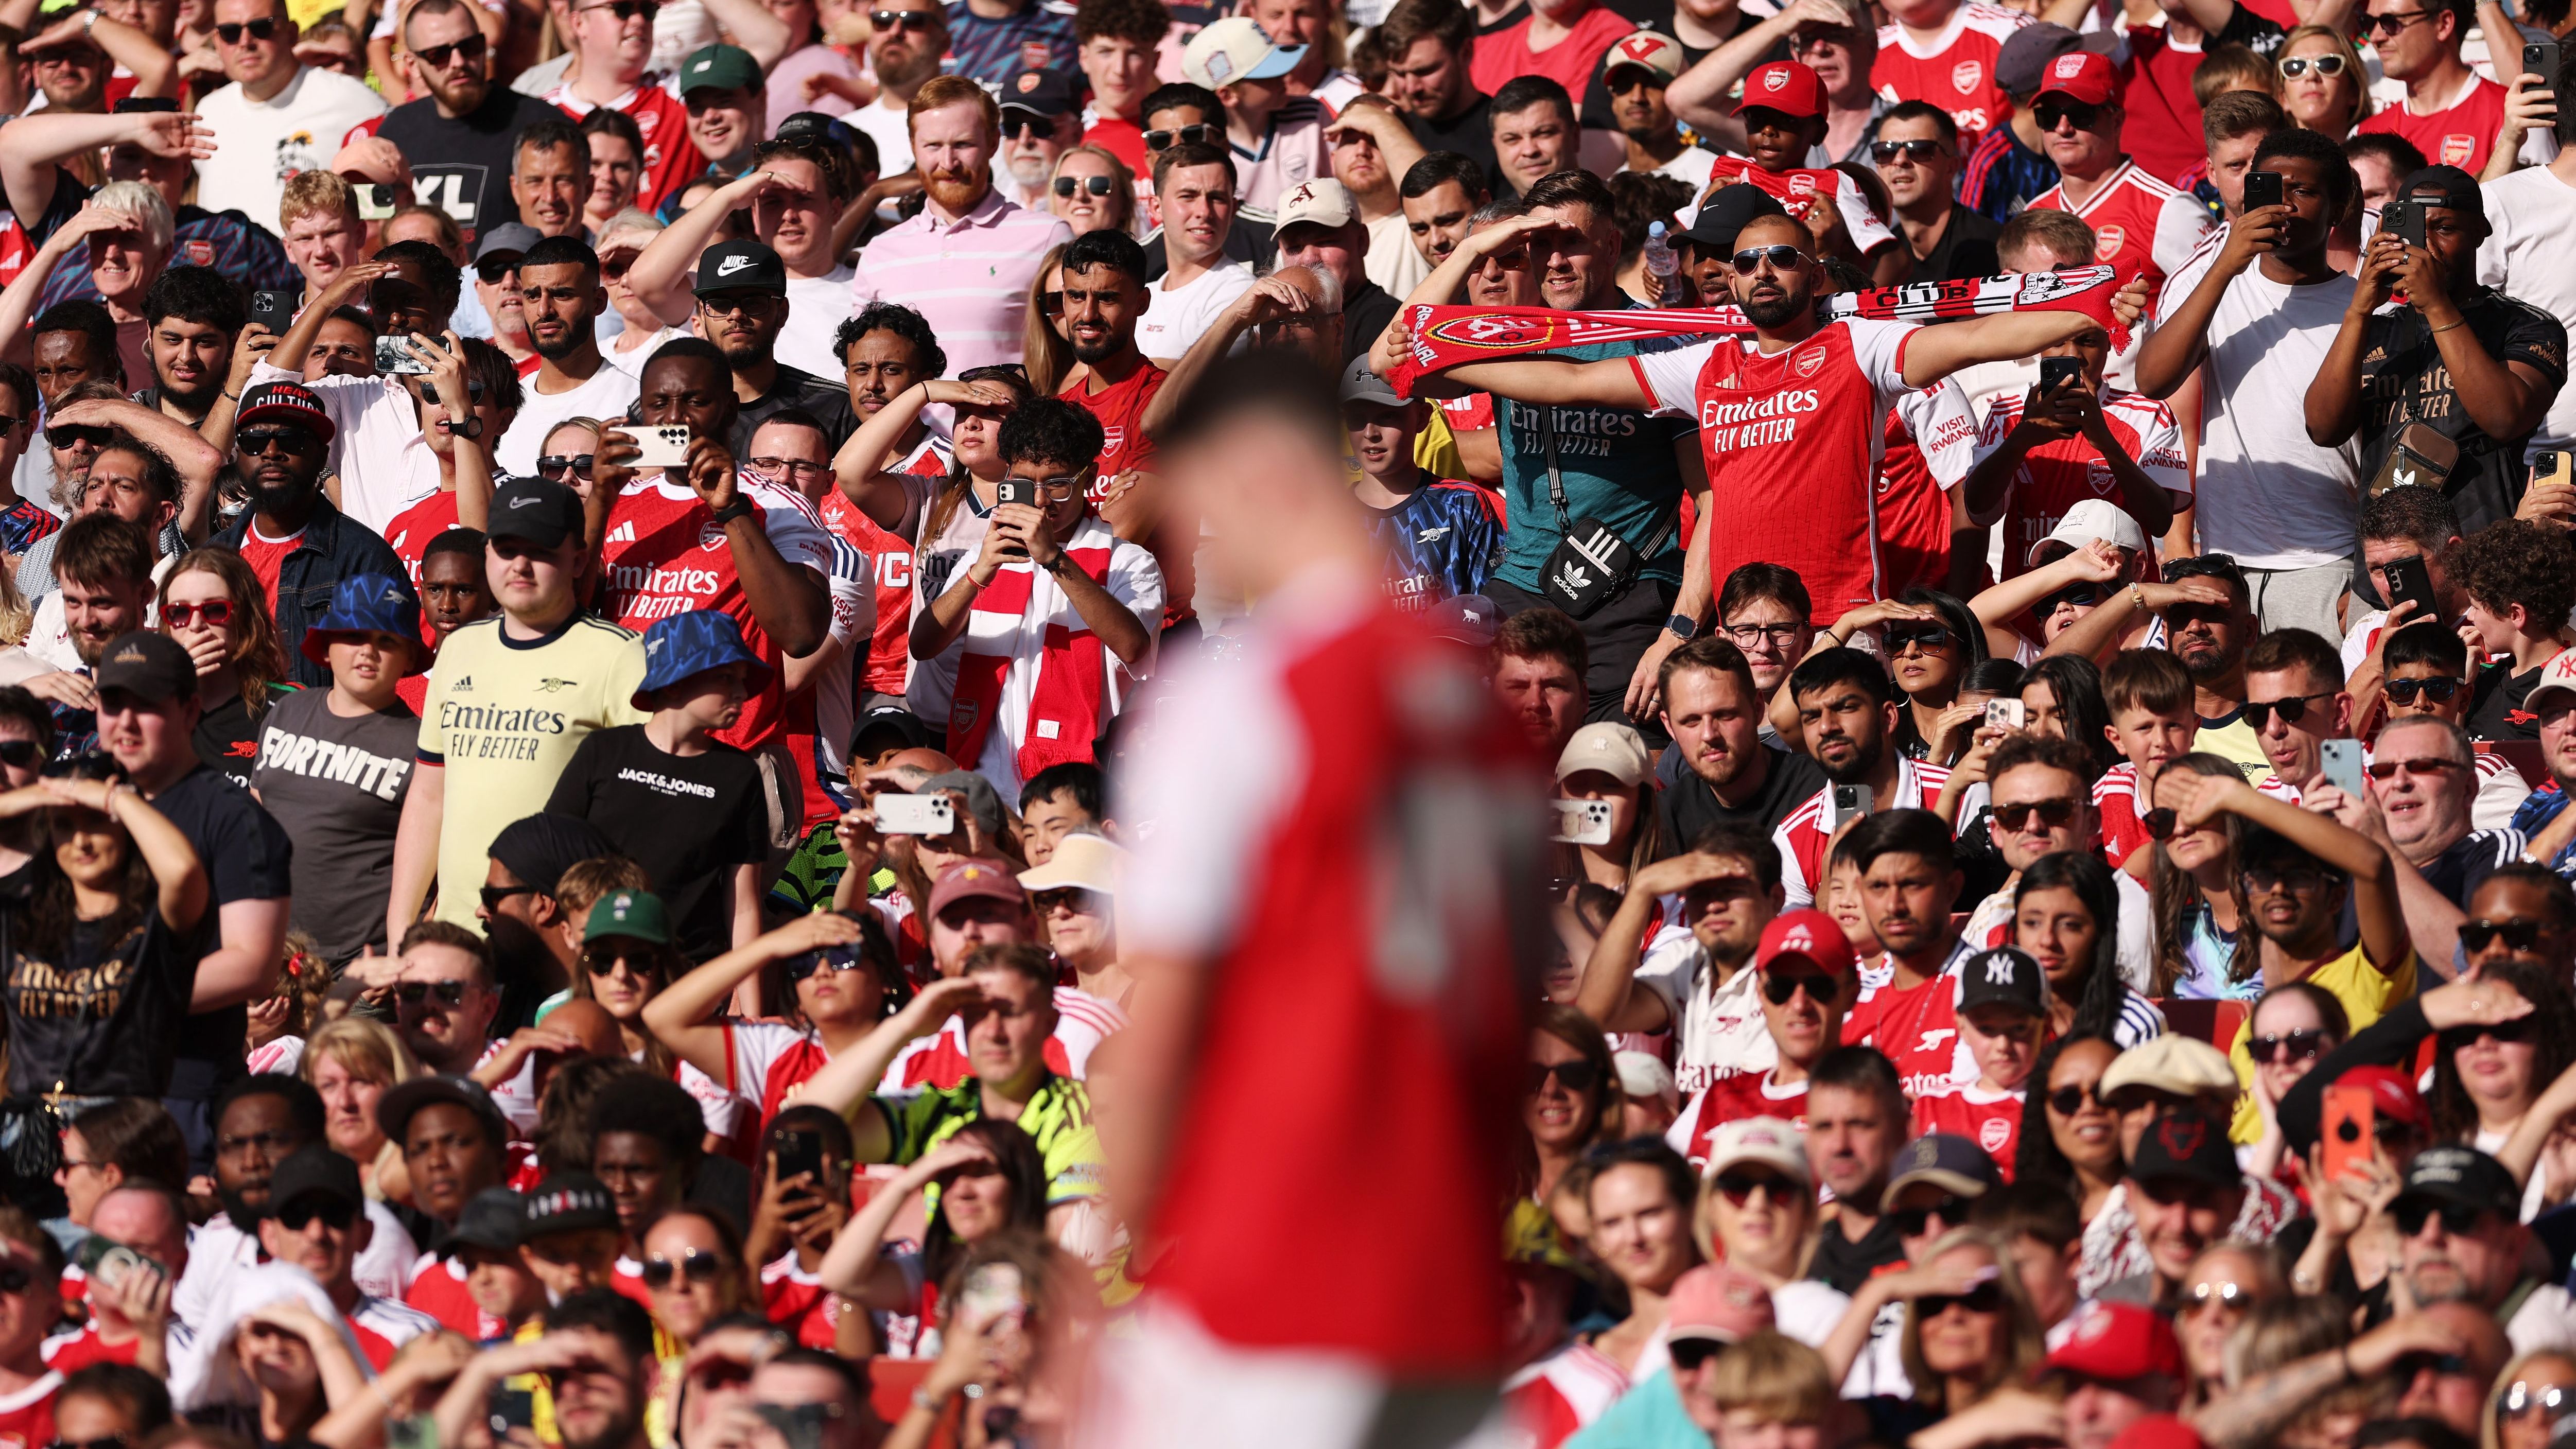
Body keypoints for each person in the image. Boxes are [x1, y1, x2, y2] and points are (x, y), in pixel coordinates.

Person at [388, 479, 648, 934]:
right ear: (488, 554)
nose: (521, 565)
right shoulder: (458, 648)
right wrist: (400, 928)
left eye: (542, 550)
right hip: (455, 933)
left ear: (579, 559)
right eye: (507, 549)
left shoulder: (621, 655)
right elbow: (429, 796)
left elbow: (641, 818)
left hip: (558, 939)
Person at [2137, 129, 2362, 641]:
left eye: (2301, 191)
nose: (2281, 204)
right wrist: (2227, 266)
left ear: (2338, 206)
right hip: (2225, 564)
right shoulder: (2212, 285)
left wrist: (2365, 574)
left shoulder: (2366, 305)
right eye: (2267, 187)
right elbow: (2153, 379)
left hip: (2327, 562)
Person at [2307, 166, 2565, 536]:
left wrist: (2438, 306)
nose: (2426, 246)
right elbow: (2323, 428)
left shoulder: (2526, 325)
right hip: (2384, 567)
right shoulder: (2376, 328)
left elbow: (2505, 418)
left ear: (2480, 232)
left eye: (2444, 229)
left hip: (2481, 557)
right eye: (2413, 231)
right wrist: (2359, 308)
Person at [544, 612, 769, 958]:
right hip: (598, 964)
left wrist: (752, 1009)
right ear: (674, 683)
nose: (742, 692)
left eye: (742, 679)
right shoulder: (603, 751)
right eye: (725, 677)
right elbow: (552, 856)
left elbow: (744, 905)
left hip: (689, 973)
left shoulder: (739, 774)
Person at [848, 77, 1073, 376]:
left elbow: (1076, 360)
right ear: (914, 147)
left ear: (993, 142)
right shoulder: (880, 253)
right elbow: (860, 370)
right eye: (933, 146)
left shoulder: (1048, 237)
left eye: (963, 144)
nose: (948, 162)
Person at [1575, 826, 1789, 1095]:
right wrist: (1643, 888)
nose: (1713, 905)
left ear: (1776, 899)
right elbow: (1594, 1014)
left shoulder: (1796, 974)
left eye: (1731, 890)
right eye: (1700, 892)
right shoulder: (1684, 956)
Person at [2025, 49, 2215, 328]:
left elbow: (2221, 309)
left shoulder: (2169, 210)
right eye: (2049, 116)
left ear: (2116, 121)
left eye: (2080, 114)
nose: (2063, 128)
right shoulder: (2032, 214)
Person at [1663, 908, 1856, 1163]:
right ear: (1760, 994)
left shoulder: (1868, 1108)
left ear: (1852, 992)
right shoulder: (1714, 1100)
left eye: (1819, 987)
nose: (1799, 1005)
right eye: (1781, 988)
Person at [375, 0, 566, 249]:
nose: (458, 62)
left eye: (469, 47)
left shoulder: (539, 122)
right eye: (439, 54)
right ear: (413, 64)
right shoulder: (396, 130)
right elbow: (373, 228)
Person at [189, 0, 387, 233]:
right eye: (230, 32)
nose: (245, 42)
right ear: (217, 42)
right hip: (221, 267)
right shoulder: (208, 112)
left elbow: (389, 201)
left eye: (262, 27)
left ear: (291, 34)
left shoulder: (351, 99)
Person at [489, 238, 641, 477]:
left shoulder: (639, 405)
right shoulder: (503, 409)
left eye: (561, 295)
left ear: (598, 302)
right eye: (532, 296)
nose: (543, 310)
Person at [2354, 0, 2549, 180]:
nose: (2375, 37)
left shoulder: (2516, 118)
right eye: (2369, 23)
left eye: (2391, 23)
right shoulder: (2365, 133)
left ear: (2444, 24)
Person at [158, 549, 285, 789]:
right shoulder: (149, 707)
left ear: (246, 617)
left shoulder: (287, 709)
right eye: (180, 612)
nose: (196, 625)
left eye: (215, 610)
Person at [2452, 519, 2576, 741]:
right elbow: (2446, 756)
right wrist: (2462, 683)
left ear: (2516, 615)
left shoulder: (2565, 686)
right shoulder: (2486, 677)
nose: (2470, 617)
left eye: (2477, 608)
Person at [1873, 102, 2003, 284]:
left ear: (1951, 167)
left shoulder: (1993, 247)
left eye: (1919, 150)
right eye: (1886, 152)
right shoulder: (1881, 258)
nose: (1900, 160)